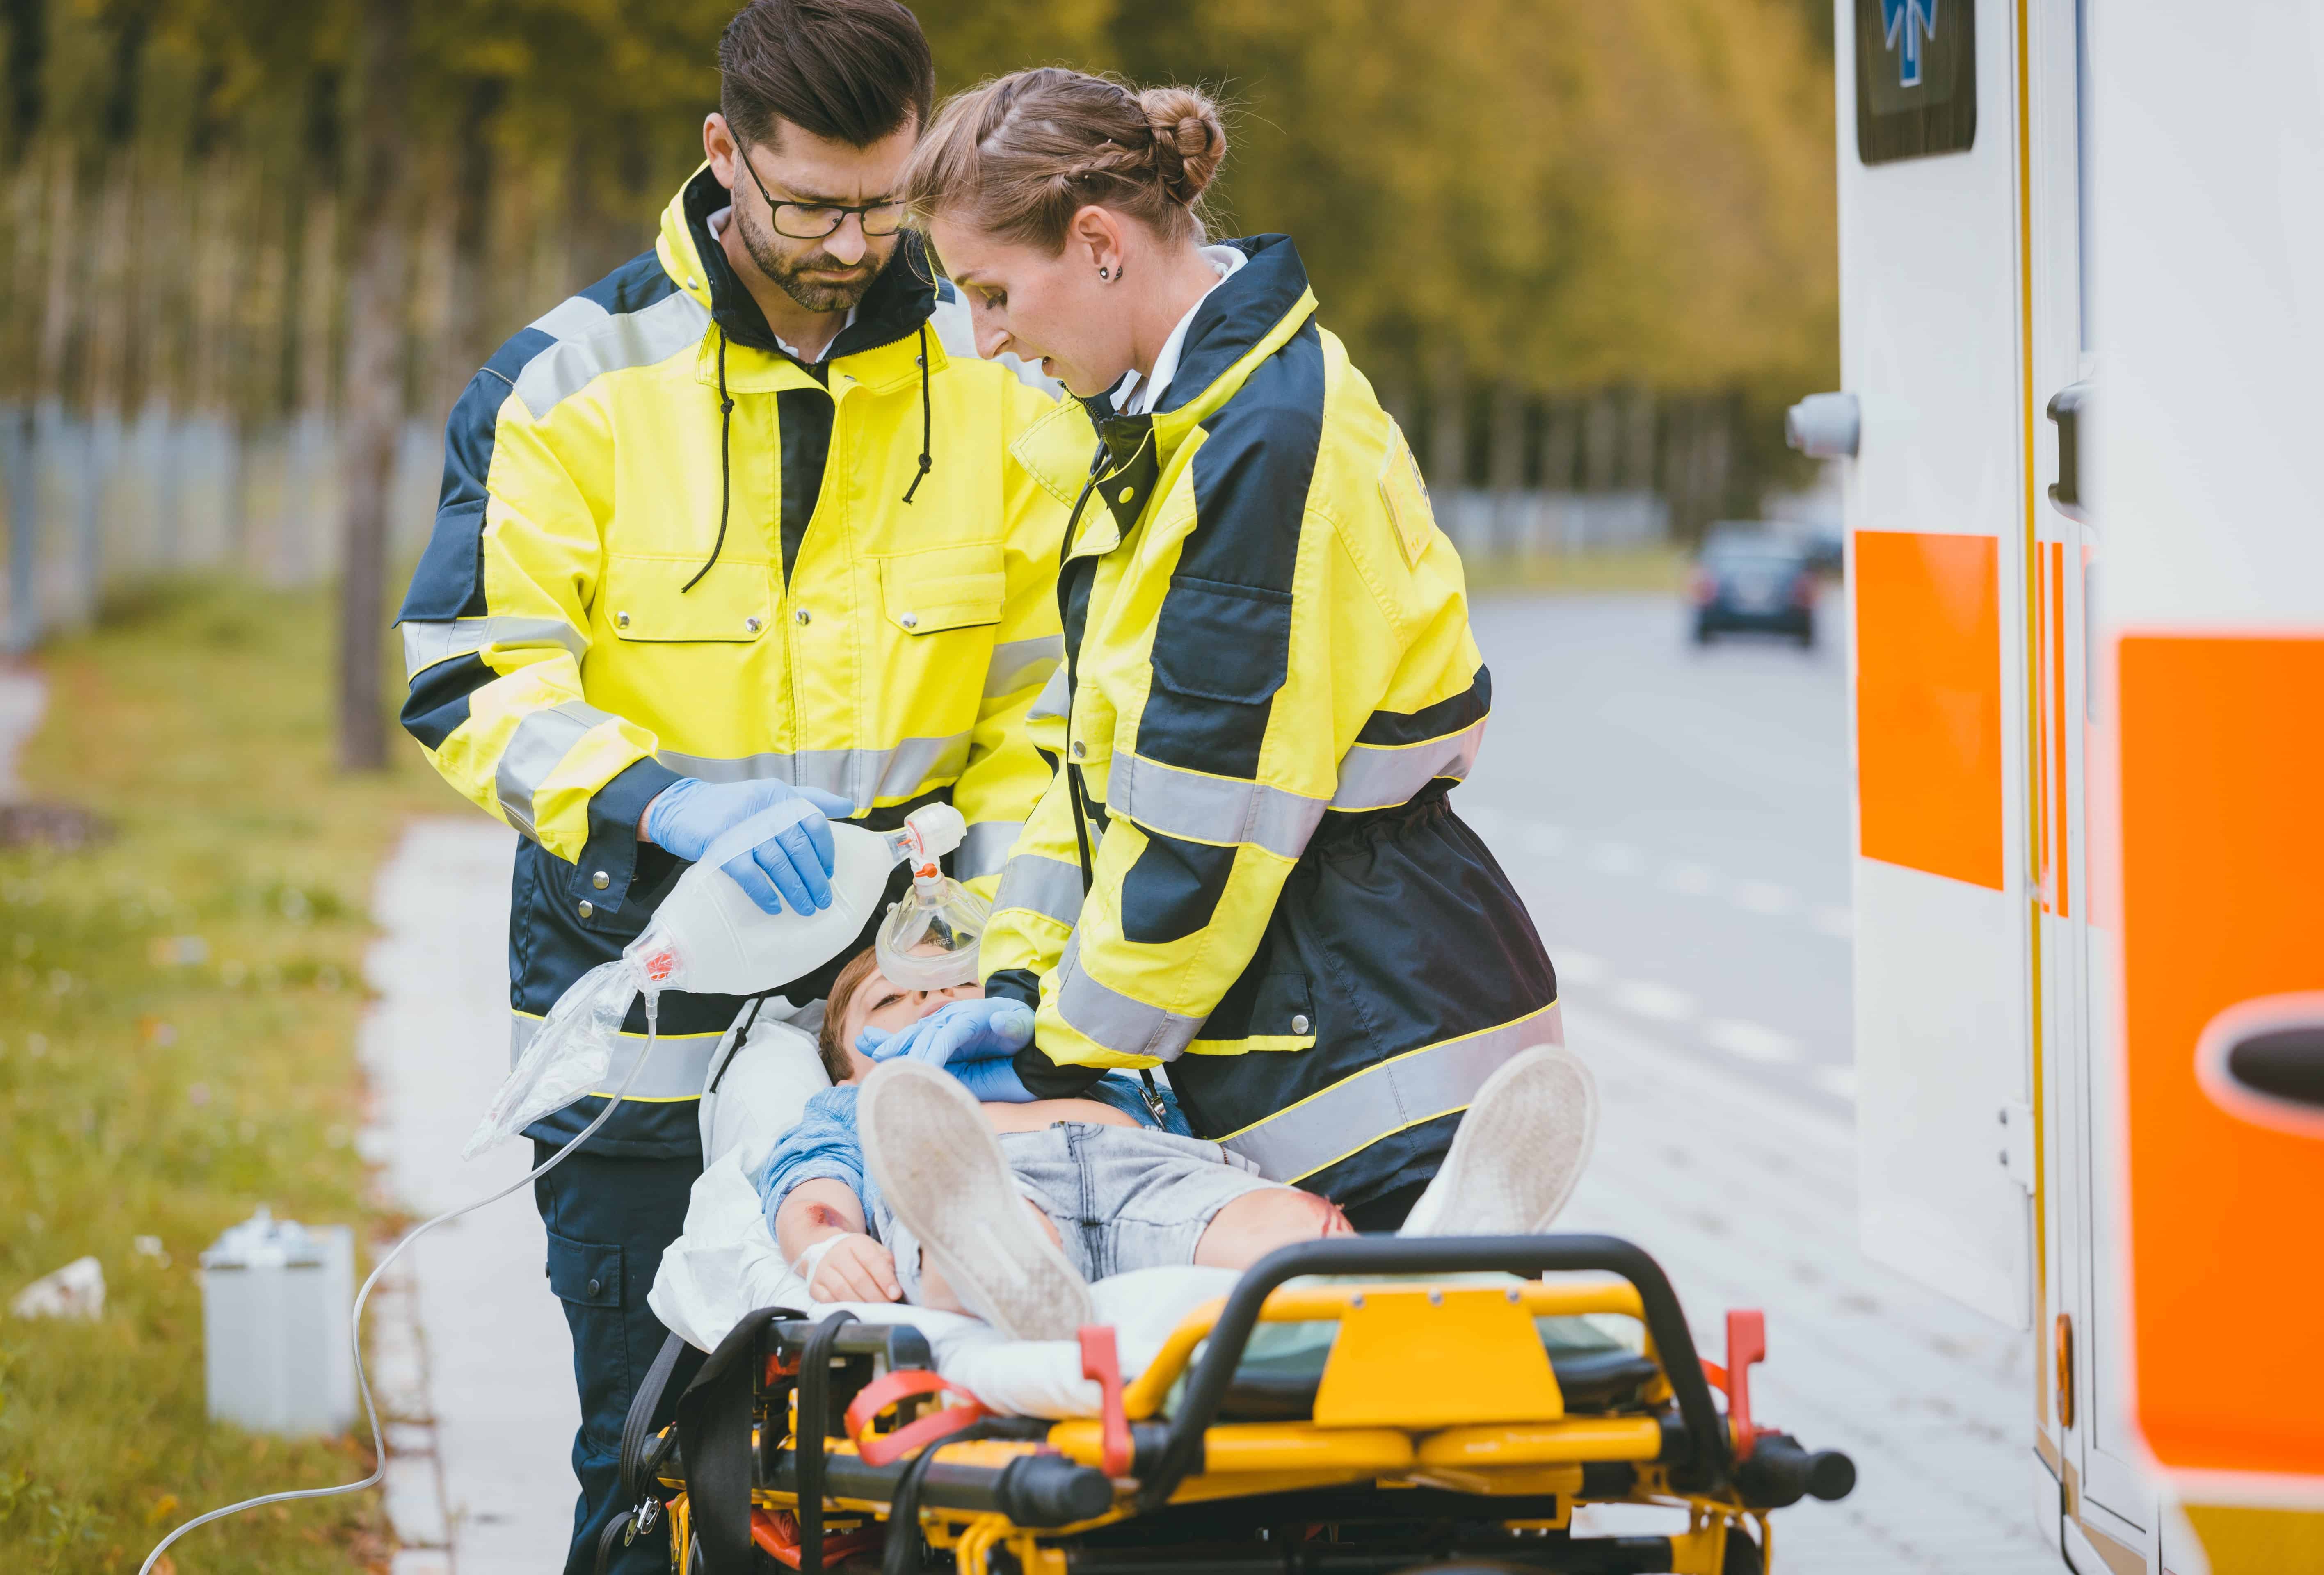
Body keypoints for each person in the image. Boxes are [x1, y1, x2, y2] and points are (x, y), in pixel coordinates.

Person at [390, 5, 1076, 1567]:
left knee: (931, 1480)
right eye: (811, 204)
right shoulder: (569, 381)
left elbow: (1050, 722)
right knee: (646, 1464)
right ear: (724, 156)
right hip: (641, 1033)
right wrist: (660, 803)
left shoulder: (1002, 385)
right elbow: (471, 673)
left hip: (908, 1042)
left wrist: (991, 945)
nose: (850, 244)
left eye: (885, 202)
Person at [893, 70, 1563, 1233]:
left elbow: (1207, 829)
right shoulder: (1176, 429)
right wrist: (1014, 980)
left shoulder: (1260, 447)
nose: (989, 341)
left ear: (1099, 244)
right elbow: (1098, 774)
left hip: (1372, 1067)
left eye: (993, 293)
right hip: (1326, 1026)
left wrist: (1059, 1053)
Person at [761, 949, 1598, 1338]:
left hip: (1151, 1174)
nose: (937, 1001)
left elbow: (1183, 1132)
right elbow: (813, 1193)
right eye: (894, 1002)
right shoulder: (857, 1111)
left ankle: (1431, 1264)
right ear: (844, 1068)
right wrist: (826, 1248)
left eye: (960, 985)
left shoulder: (1092, 1074)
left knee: (1284, 1232)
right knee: (976, 1234)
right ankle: (1011, 1277)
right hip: (982, 1186)